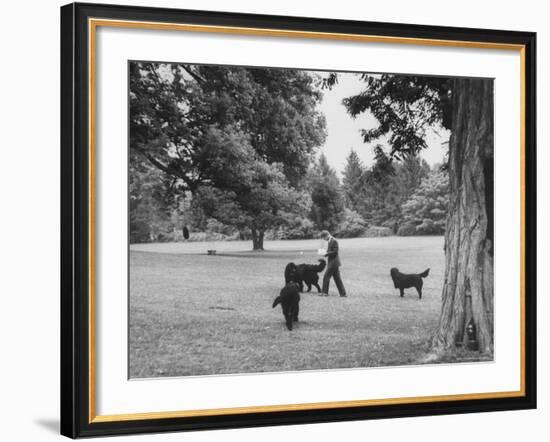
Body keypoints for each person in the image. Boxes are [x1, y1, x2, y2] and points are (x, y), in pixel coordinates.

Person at [319, 230, 346, 297]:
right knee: (337, 278)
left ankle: (325, 292)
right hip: (332, 262)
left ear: (327, 235)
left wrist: (326, 253)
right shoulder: (330, 241)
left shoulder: (334, 240)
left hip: (334, 262)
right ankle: (343, 294)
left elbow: (335, 252)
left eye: (323, 238)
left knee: (326, 276)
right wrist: (324, 253)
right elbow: (330, 251)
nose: (324, 239)